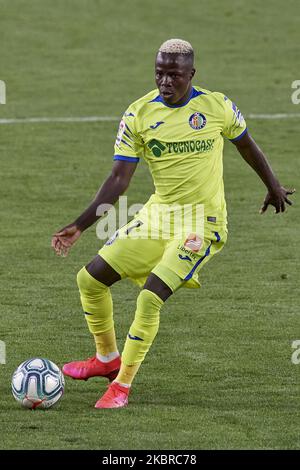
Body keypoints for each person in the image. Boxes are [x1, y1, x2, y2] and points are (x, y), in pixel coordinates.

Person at [51, 39, 295, 409]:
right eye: (159, 73)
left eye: (174, 75)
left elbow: (247, 145)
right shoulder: (139, 114)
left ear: (191, 75)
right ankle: (106, 359)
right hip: (157, 216)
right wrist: (80, 225)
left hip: (203, 223)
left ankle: (122, 386)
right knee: (90, 279)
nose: (165, 81)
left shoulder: (216, 107)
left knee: (150, 297)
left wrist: (272, 185)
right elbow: (119, 179)